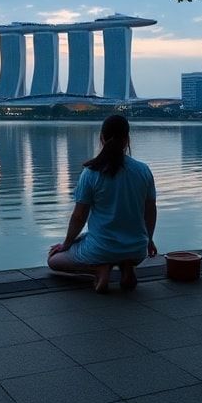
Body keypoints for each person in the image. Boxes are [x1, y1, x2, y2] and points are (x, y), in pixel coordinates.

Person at [47, 114, 158, 293]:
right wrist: (149, 240)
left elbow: (79, 216)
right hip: (137, 250)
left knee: (53, 261)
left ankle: (99, 269)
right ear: (127, 139)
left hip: (101, 249)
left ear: (101, 138)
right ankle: (127, 267)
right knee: (122, 251)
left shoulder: (91, 173)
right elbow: (150, 211)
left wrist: (66, 244)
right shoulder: (143, 171)